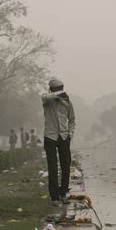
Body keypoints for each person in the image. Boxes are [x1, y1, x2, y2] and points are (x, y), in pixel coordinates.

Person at [42, 78, 75, 206]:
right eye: (57, 89)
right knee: (52, 167)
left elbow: (72, 120)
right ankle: (54, 198)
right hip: (50, 136)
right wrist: (59, 94)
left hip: (64, 136)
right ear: (52, 90)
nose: (60, 91)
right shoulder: (47, 101)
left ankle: (63, 194)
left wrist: (70, 133)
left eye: (61, 88)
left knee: (66, 167)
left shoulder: (67, 103)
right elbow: (45, 96)